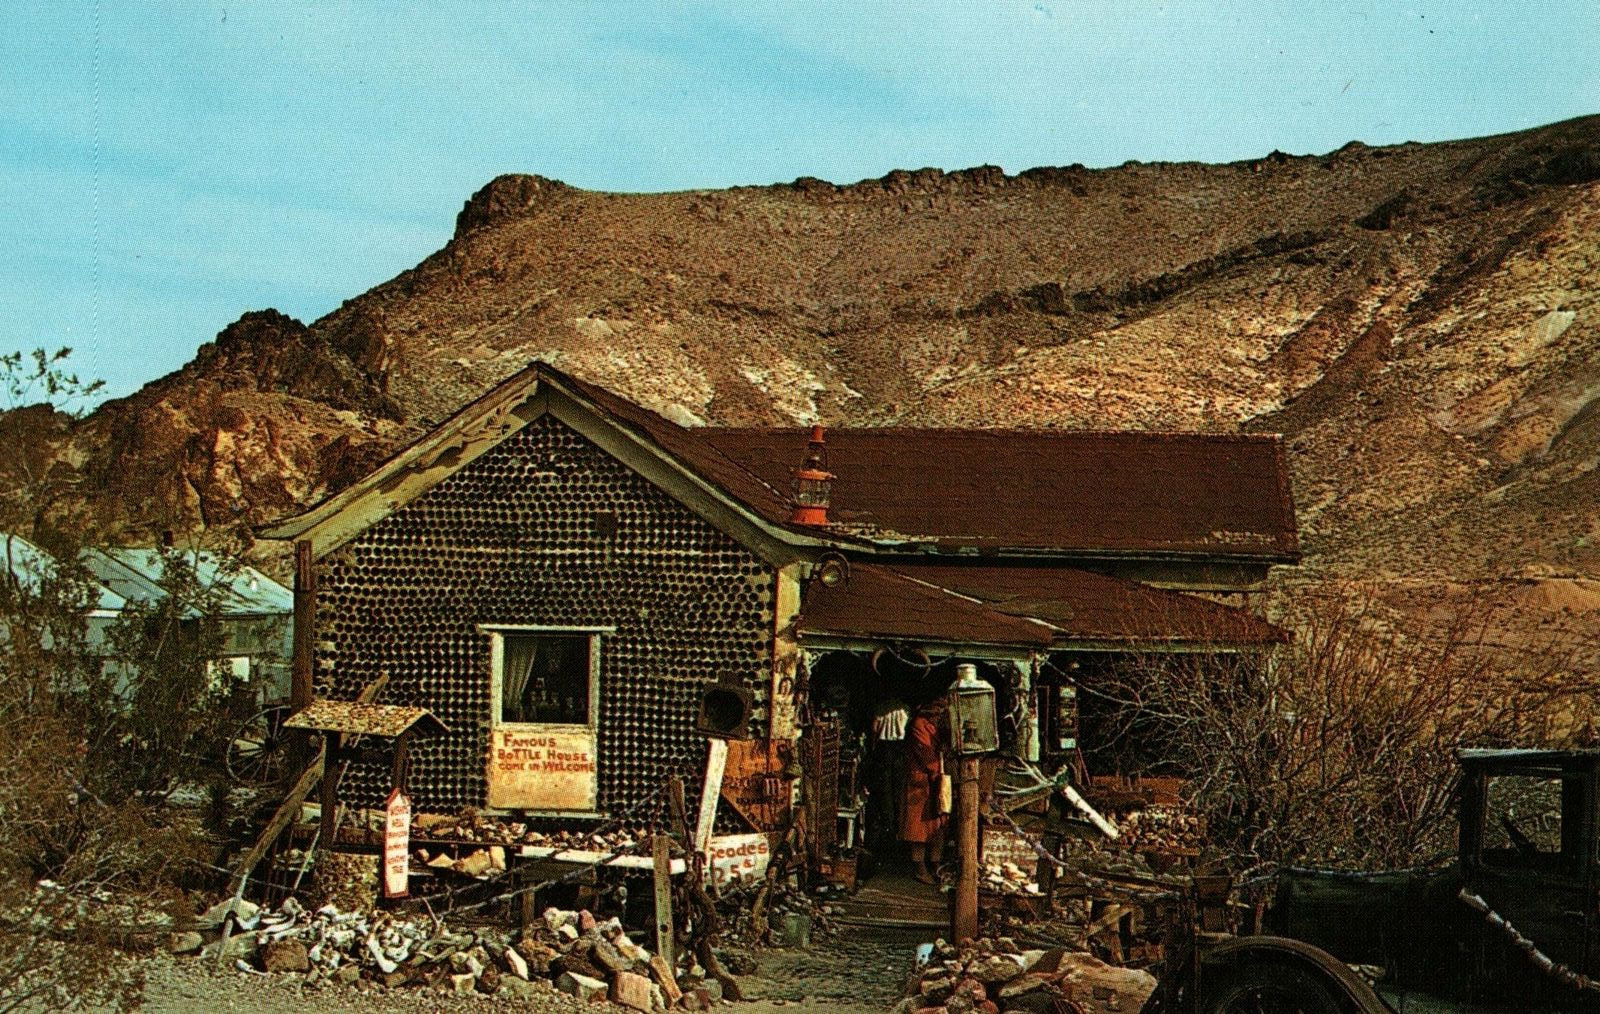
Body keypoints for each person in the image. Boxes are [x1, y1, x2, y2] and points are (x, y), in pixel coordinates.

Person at [901, 698, 948, 884]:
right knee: (919, 829)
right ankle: (920, 868)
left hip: (935, 781)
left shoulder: (939, 727)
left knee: (939, 826)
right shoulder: (919, 725)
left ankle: (936, 865)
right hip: (921, 783)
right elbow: (927, 756)